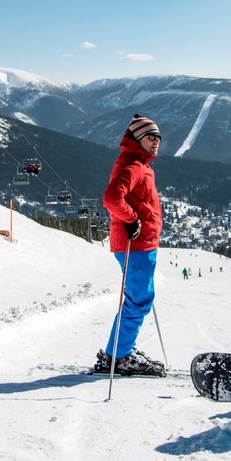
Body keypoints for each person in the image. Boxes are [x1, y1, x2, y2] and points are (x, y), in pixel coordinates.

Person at [93, 114, 164, 377]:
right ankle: (118, 357)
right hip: (135, 245)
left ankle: (120, 352)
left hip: (141, 244)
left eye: (158, 137)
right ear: (136, 139)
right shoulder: (133, 164)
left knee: (139, 299)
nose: (156, 141)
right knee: (138, 301)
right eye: (150, 137)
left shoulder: (140, 164)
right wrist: (132, 219)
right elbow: (112, 198)